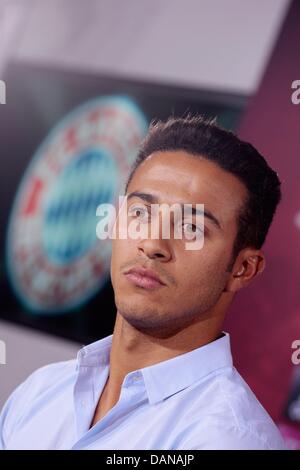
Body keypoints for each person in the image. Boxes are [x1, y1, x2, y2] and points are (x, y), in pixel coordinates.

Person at [0, 115, 285, 449]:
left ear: (243, 269)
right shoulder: (42, 390)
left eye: (191, 229)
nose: (152, 244)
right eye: (140, 213)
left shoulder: (227, 439)